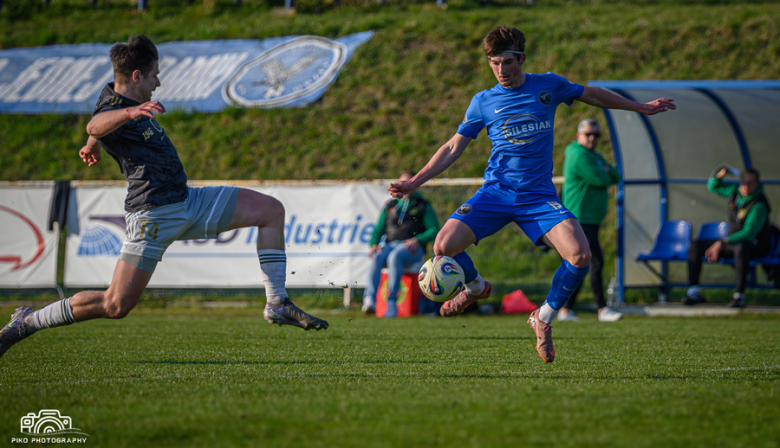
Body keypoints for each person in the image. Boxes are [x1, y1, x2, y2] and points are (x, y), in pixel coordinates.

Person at [0, 35, 328, 359]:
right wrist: (123, 119)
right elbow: (96, 122)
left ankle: (277, 303)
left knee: (270, 210)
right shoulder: (119, 108)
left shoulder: (116, 99)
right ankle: (27, 322)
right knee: (115, 305)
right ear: (137, 76)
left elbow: (96, 129)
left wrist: (92, 144)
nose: (159, 82)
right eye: (155, 74)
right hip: (153, 215)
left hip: (188, 201)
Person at [389, 26, 675, 363]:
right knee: (442, 247)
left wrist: (639, 107)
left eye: (507, 62)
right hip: (496, 192)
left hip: (538, 197)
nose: (501, 70)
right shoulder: (483, 101)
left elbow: (592, 95)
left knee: (580, 256)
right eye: (494, 63)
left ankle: (543, 317)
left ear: (521, 59)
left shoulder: (548, 85)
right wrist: (416, 181)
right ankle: (477, 287)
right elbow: (454, 146)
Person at [557, 118, 623, 322]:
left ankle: (565, 309)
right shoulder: (579, 155)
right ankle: (601, 309)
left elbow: (615, 175)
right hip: (580, 218)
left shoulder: (593, 155)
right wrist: (604, 171)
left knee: (580, 263)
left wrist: (605, 170)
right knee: (594, 261)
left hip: (590, 219)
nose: (593, 138)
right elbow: (602, 179)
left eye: (596, 135)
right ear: (578, 136)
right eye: (588, 134)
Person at [684, 166, 777, 308]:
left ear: (757, 184)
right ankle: (693, 292)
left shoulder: (759, 204)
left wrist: (722, 242)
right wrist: (719, 175)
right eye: (743, 182)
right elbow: (713, 187)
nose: (745, 187)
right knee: (696, 245)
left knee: (740, 248)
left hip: (755, 244)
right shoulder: (735, 191)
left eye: (750, 183)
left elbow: (748, 234)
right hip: (732, 242)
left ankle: (739, 295)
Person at [362, 171, 441, 317]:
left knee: (395, 257)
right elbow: (378, 229)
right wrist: (374, 244)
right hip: (391, 243)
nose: (403, 186)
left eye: (407, 183)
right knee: (377, 256)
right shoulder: (390, 205)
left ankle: (392, 302)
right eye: (401, 183)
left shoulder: (423, 205)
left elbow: (435, 230)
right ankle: (369, 299)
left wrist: (418, 239)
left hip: (412, 248)